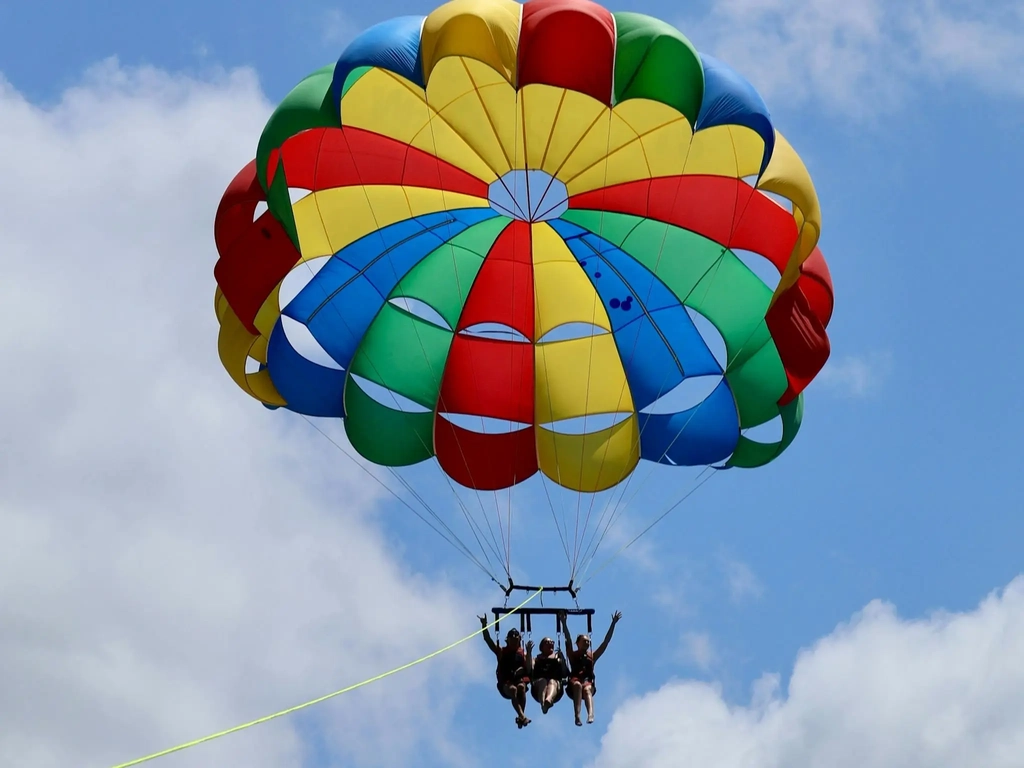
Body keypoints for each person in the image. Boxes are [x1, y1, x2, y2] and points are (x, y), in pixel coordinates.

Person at [560, 609, 622, 726]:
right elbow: (568, 638)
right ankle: (577, 716)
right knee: (578, 685)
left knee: (587, 689)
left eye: (588, 642)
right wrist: (563, 623)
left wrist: (613, 623)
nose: (587, 643)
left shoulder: (592, 656)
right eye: (584, 641)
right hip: (575, 682)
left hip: (587, 682)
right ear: (578, 643)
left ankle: (590, 714)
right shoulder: (573, 655)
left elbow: (605, 642)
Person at [479, 615, 532, 728]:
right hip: (506, 683)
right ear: (507, 640)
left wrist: (529, 652)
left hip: (519, 680)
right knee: (513, 690)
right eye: (511, 637)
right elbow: (488, 640)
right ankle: (522, 716)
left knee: (521, 687)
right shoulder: (501, 651)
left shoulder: (522, 654)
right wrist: (484, 625)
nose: (514, 639)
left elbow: (529, 668)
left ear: (519, 640)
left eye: (516, 637)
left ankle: (521, 717)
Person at [530, 636, 569, 714]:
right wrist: (528, 653)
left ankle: (549, 700)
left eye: (552, 642)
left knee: (552, 682)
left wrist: (562, 659)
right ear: (542, 647)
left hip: (556, 685)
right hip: (538, 686)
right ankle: (543, 703)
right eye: (547, 642)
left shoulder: (558, 658)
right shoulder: (536, 659)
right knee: (543, 681)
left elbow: (565, 673)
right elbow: (530, 670)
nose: (550, 644)